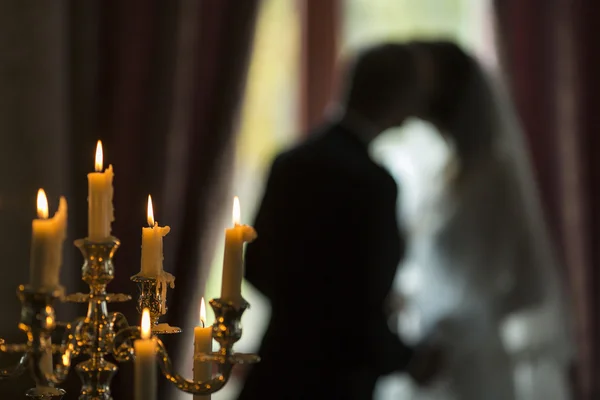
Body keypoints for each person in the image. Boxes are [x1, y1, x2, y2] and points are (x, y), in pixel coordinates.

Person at [238, 44, 441, 400]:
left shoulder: (289, 162)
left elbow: (254, 267)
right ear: (398, 98)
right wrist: (408, 360)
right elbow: (360, 308)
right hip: (335, 384)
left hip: (276, 372)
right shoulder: (373, 183)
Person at [384, 41, 574, 400]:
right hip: (429, 357)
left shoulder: (497, 177)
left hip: (474, 366)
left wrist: (465, 330)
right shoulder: (441, 178)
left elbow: (531, 284)